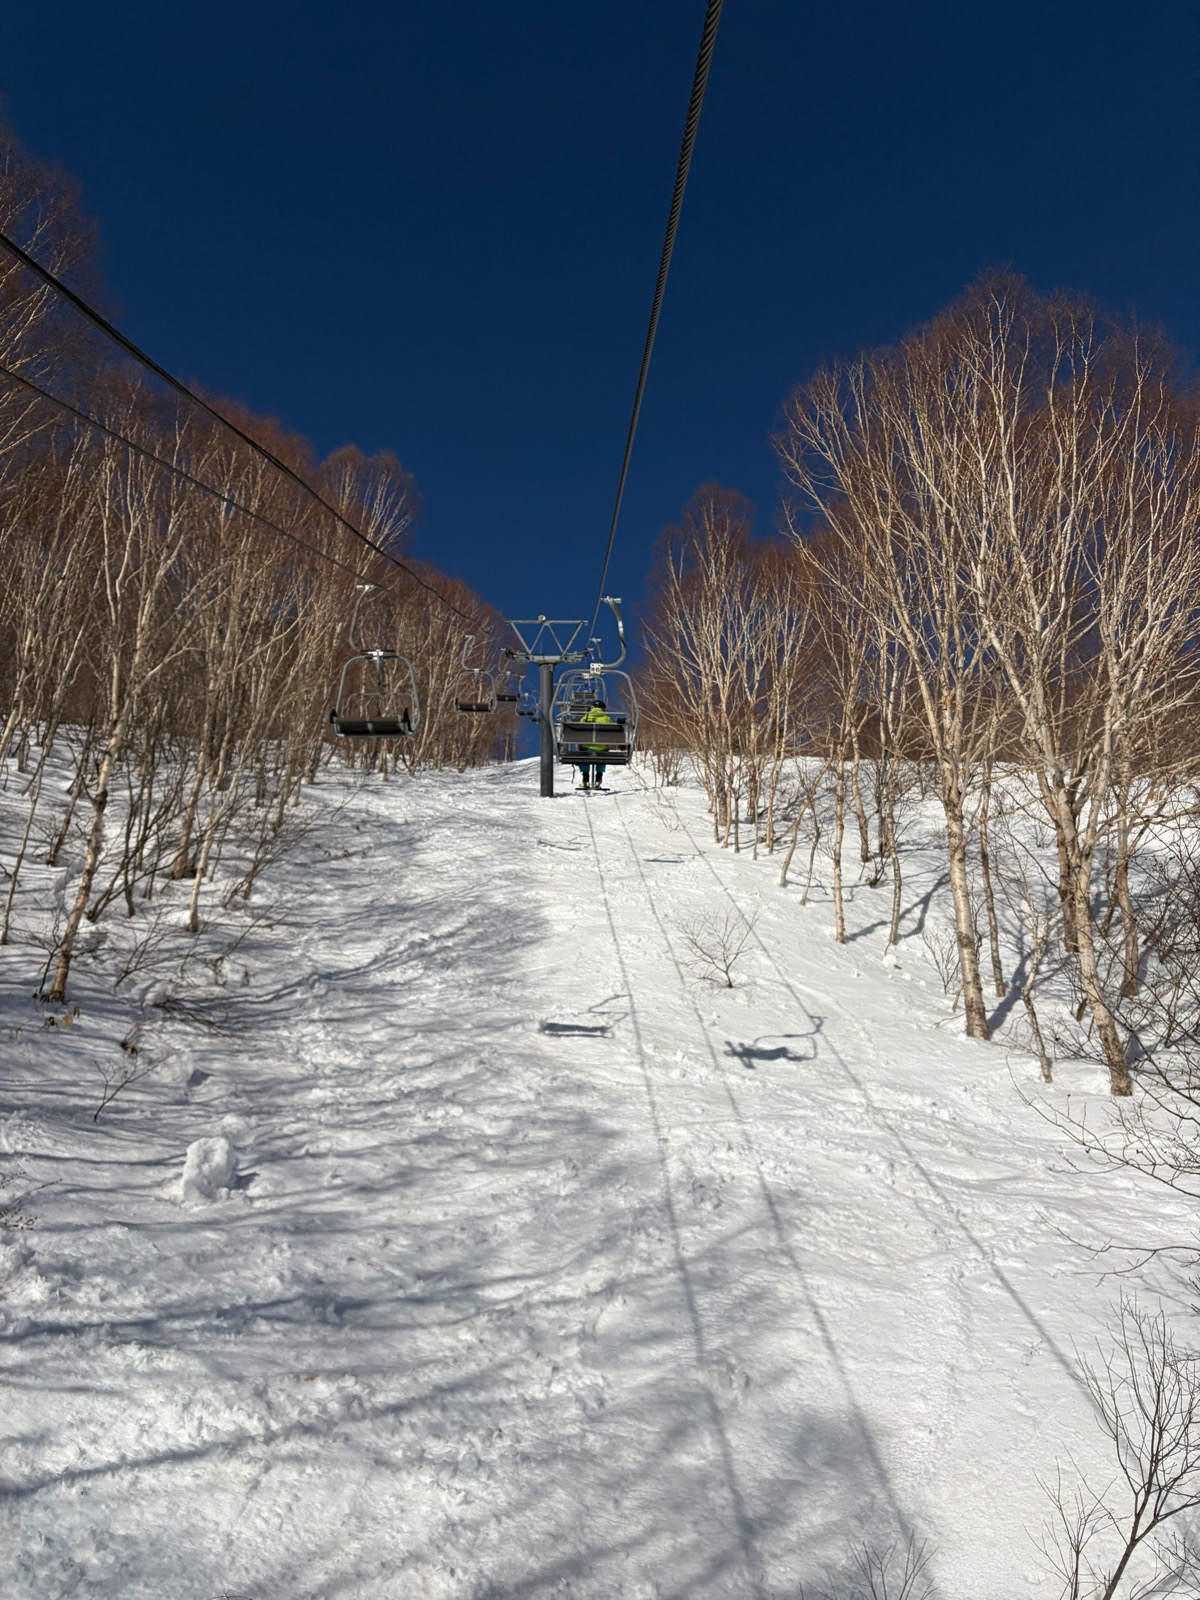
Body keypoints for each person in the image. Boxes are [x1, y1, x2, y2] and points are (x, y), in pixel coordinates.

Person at [578, 699, 614, 790]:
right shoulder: (606, 718)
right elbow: (612, 732)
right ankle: (599, 776)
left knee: (583, 754)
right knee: (603, 753)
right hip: (601, 748)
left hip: (587, 747)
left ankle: (585, 777)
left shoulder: (586, 717)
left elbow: (579, 729)